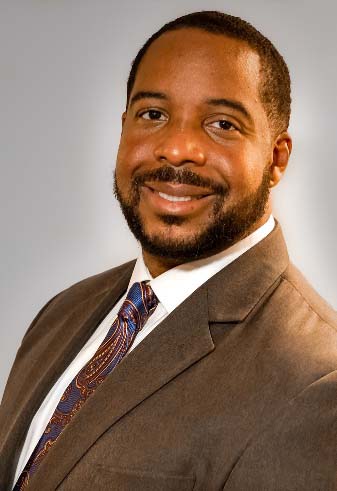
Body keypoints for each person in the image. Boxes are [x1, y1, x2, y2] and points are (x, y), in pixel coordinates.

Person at [1, 10, 336, 491]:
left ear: (276, 158)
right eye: (153, 115)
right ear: (123, 128)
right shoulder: (61, 314)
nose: (177, 149)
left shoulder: (317, 386)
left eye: (222, 124)